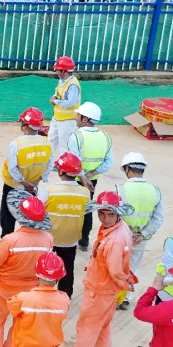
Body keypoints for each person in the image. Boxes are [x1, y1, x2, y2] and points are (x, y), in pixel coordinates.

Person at [0, 193, 54, 347]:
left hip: (4, 288)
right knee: (19, 323)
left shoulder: (10, 240)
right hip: (31, 290)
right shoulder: (48, 239)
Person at [60, 191, 136, 347]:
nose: (105, 219)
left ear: (118, 214)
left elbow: (115, 270)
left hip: (99, 290)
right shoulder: (121, 228)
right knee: (103, 325)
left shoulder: (113, 240)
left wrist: (123, 284)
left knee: (88, 325)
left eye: (110, 215)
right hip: (110, 290)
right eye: (101, 214)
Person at [112, 152, 164, 309]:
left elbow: (112, 215)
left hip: (120, 237)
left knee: (115, 266)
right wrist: (143, 234)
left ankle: (114, 296)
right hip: (140, 239)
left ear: (127, 168)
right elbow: (158, 218)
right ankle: (126, 298)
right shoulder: (155, 191)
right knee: (132, 267)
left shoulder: (119, 190)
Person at [40, 152, 90, 297]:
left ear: (61, 171)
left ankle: (42, 295)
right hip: (71, 239)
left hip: (49, 238)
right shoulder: (85, 193)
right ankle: (65, 298)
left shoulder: (49, 190)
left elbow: (37, 209)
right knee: (67, 270)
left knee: (45, 268)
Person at [6, 252, 70, 347]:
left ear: (37, 274)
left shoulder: (23, 298)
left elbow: (12, 307)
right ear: (58, 278)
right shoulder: (64, 299)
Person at [0, 107, 52, 237]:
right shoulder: (47, 143)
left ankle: (6, 240)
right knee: (29, 214)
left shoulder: (16, 144)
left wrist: (24, 182)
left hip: (13, 186)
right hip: (33, 186)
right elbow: (49, 165)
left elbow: (12, 168)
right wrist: (34, 182)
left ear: (25, 125)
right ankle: (27, 240)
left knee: (8, 217)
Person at [67, 101, 113, 251]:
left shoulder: (76, 137)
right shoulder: (105, 137)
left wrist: (82, 177)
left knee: (71, 208)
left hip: (74, 179)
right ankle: (84, 241)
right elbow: (108, 162)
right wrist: (90, 175)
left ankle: (68, 239)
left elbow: (73, 161)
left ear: (85, 119)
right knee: (87, 209)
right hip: (92, 181)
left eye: (78, 115)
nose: (76, 117)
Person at [47, 55, 80, 160]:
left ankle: (63, 164)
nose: (56, 72)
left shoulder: (73, 85)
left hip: (67, 120)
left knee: (64, 144)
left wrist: (55, 101)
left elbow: (71, 102)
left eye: (58, 70)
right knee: (51, 140)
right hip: (57, 117)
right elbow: (58, 92)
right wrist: (54, 97)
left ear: (64, 71)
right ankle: (47, 162)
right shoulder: (62, 81)